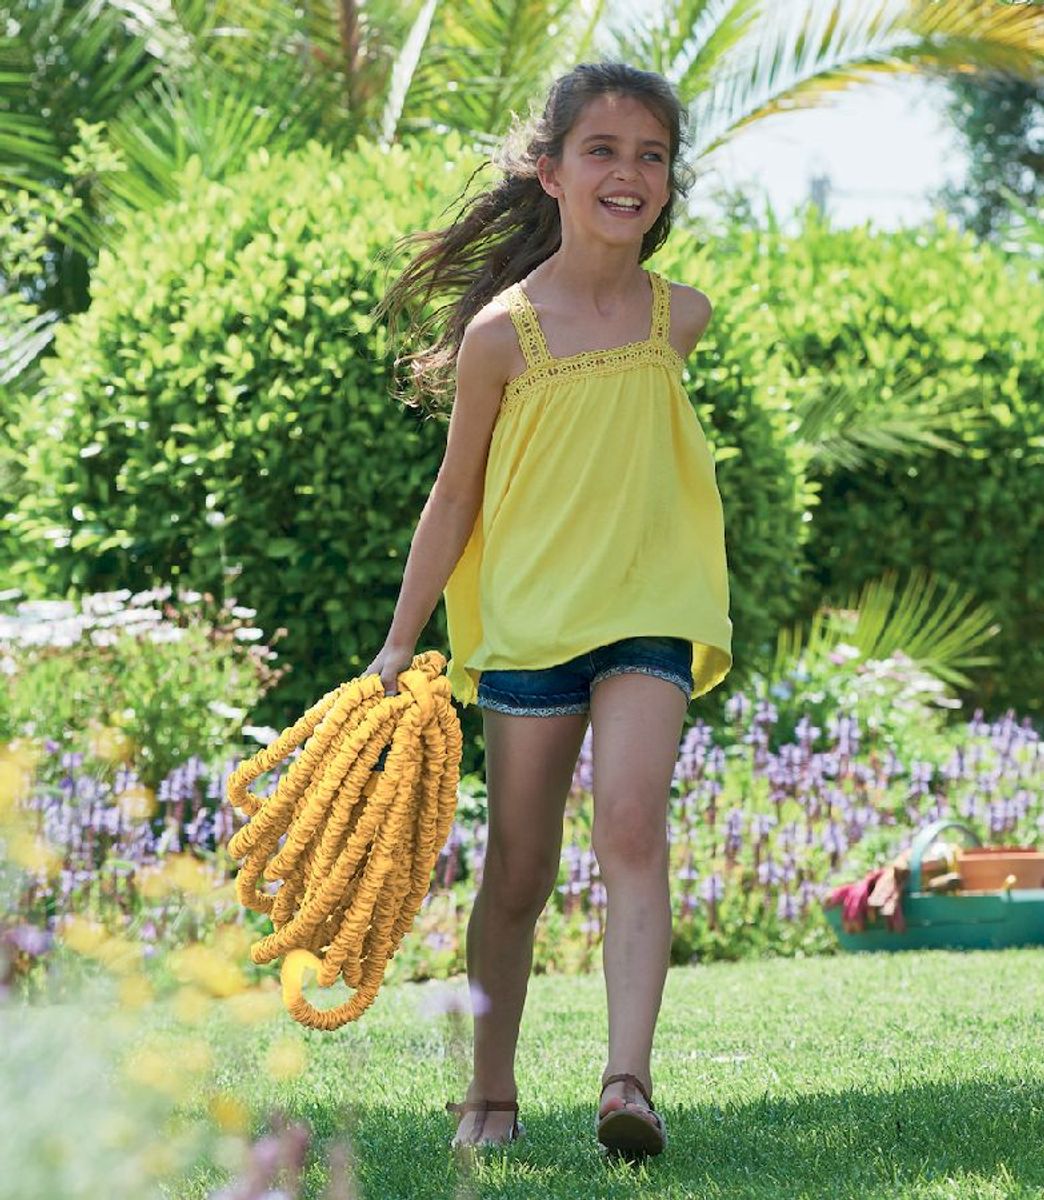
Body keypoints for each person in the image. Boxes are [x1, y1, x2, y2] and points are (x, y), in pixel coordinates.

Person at [364, 60, 732, 1157]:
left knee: (630, 822)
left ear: (670, 180)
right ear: (551, 173)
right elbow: (455, 496)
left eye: (651, 155)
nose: (630, 173)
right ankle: (490, 1091)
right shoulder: (501, 337)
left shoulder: (683, 316)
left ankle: (628, 1083)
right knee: (518, 867)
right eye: (604, 152)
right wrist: (400, 636)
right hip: (528, 626)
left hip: (649, 613)